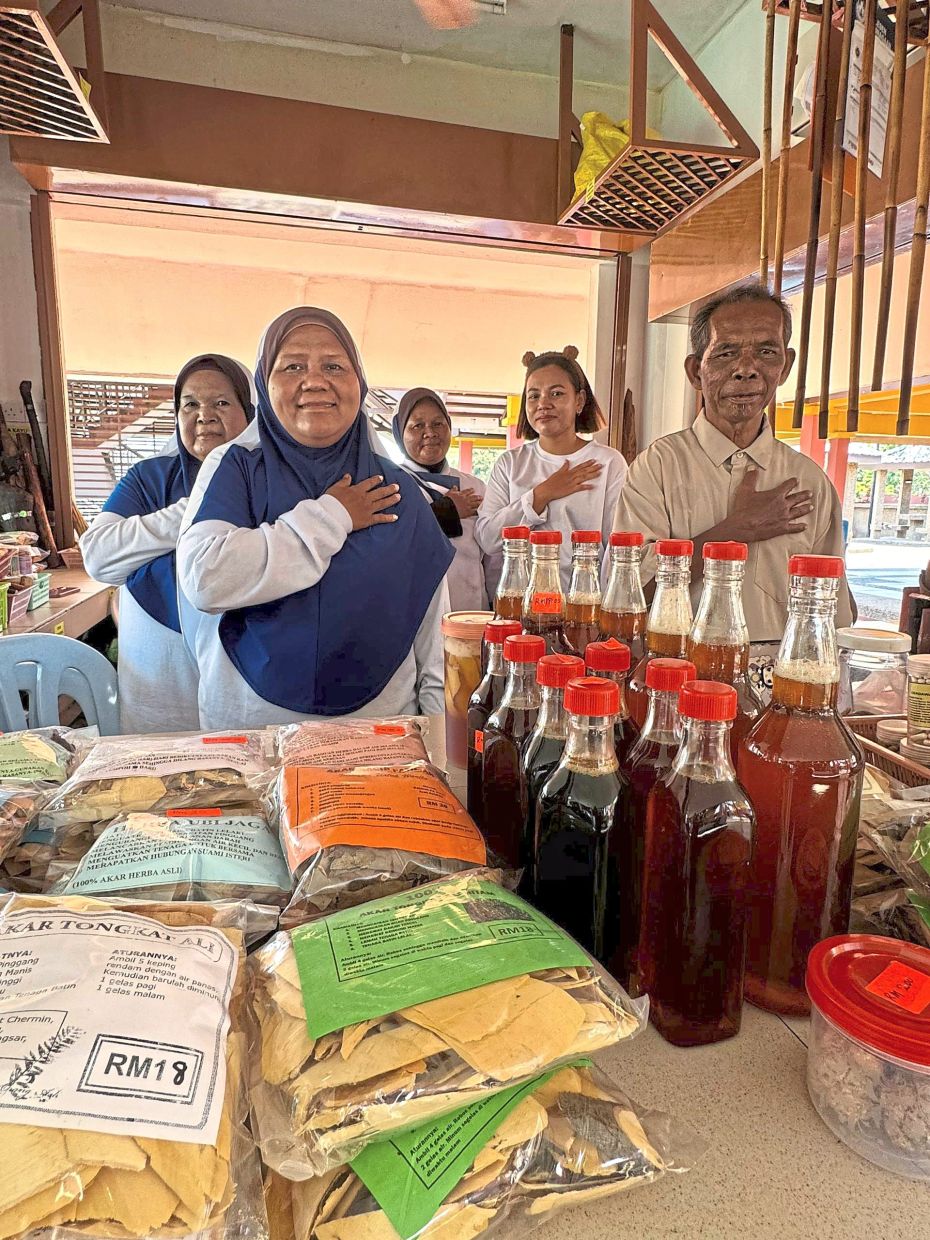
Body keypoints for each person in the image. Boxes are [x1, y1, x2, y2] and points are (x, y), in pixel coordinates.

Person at [176, 307, 453, 730]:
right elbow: (205, 578)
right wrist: (332, 515)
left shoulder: (396, 488)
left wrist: (435, 739)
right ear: (264, 383)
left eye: (333, 365)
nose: (315, 380)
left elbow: (432, 637)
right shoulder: (235, 469)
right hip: (254, 730)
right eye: (293, 366)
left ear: (358, 383)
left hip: (377, 736)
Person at [614, 282, 854, 648]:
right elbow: (629, 595)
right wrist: (735, 529)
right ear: (696, 371)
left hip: (779, 685)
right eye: (726, 353)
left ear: (785, 366)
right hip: (679, 677)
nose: (747, 370)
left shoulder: (809, 481)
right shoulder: (658, 468)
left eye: (766, 352)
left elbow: (831, 611)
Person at [80, 354, 254, 734]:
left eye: (221, 403)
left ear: (250, 412)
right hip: (158, 679)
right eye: (190, 404)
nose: (204, 415)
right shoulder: (149, 478)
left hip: (244, 668)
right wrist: (195, 512)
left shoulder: (266, 480)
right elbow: (99, 557)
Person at [475, 347, 628, 589]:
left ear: (579, 401)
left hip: (583, 607)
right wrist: (542, 494)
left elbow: (616, 547)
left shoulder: (608, 462)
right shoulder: (510, 464)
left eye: (556, 393)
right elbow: (488, 538)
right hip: (520, 605)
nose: (543, 404)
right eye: (534, 396)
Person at [392, 387, 497, 610]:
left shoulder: (475, 486)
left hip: (471, 613)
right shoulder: (391, 485)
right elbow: (393, 543)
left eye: (438, 423)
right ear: (400, 433)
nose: (430, 433)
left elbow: (492, 556)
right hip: (416, 614)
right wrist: (446, 511)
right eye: (417, 425)